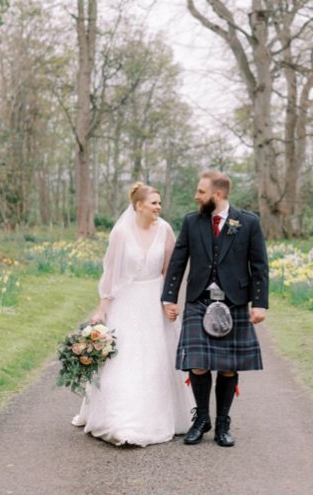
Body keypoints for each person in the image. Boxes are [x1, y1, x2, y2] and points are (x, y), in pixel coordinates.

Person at [71, 182, 195, 446]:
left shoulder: (165, 230)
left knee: (155, 357)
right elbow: (111, 274)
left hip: (154, 301)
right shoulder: (120, 232)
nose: (159, 208)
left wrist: (169, 302)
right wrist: (103, 308)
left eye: (160, 203)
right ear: (139, 206)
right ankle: (121, 420)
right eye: (154, 203)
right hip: (126, 302)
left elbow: (169, 271)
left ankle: (161, 415)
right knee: (124, 359)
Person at [161, 169, 269, 447]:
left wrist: (259, 303)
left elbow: (259, 266)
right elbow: (177, 263)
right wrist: (169, 298)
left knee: (228, 367)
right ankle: (201, 419)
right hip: (199, 300)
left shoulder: (248, 222)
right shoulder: (192, 222)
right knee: (197, 364)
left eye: (201, 192)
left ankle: (222, 423)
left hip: (233, 302)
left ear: (217, 195)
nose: (196, 196)